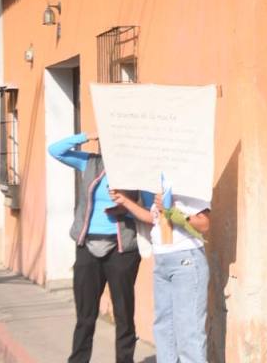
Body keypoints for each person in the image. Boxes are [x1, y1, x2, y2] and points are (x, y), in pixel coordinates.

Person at [48, 133, 142, 363]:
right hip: (88, 246)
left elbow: (147, 210)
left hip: (121, 249)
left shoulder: (136, 169)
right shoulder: (90, 163)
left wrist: (125, 205)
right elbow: (55, 150)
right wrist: (85, 136)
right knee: (85, 315)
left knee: (124, 314)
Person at [113, 185, 211, 363]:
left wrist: (172, 211)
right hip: (162, 260)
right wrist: (125, 201)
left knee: (189, 331)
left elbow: (204, 224)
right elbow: (154, 219)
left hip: (185, 259)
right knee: (163, 328)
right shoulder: (160, 184)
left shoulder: (190, 182)